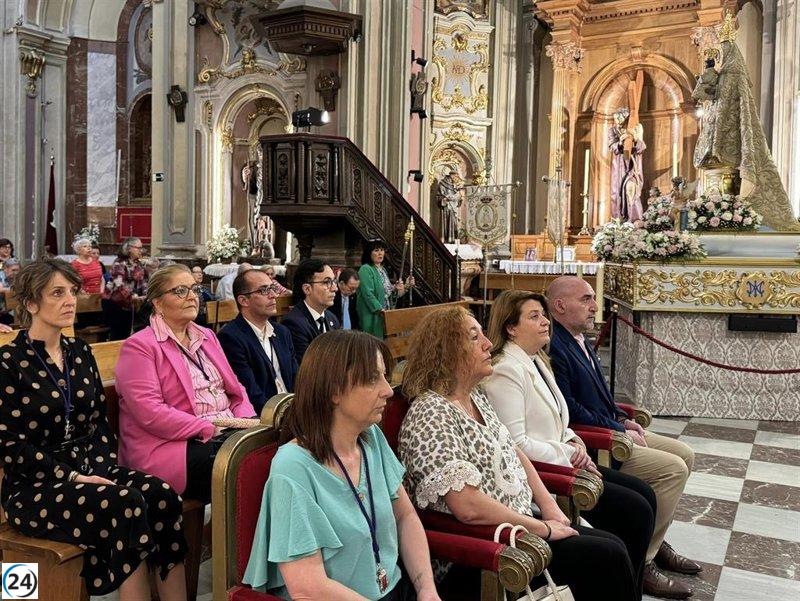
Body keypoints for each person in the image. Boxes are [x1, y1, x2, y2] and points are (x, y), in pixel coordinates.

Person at [398, 305, 638, 601]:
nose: (488, 343)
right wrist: (543, 528)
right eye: (474, 337)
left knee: (613, 545)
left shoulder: (475, 398)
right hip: (481, 548)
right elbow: (468, 507)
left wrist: (550, 507)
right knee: (608, 557)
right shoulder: (431, 413)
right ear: (446, 350)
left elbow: (513, 451)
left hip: (518, 525)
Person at [0, 259, 187, 600]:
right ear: (30, 303)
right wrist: (72, 476)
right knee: (125, 503)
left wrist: (101, 468)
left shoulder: (79, 351)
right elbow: (10, 445)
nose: (70, 300)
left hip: (91, 470)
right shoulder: (9, 361)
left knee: (161, 495)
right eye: (57, 293)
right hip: (34, 486)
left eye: (72, 291)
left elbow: (99, 422)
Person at [243, 330, 441, 601]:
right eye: (373, 378)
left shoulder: (371, 439)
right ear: (334, 390)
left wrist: (426, 589)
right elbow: (308, 587)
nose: (387, 390)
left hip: (394, 590)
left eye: (384, 376)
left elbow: (404, 517)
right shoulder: (293, 467)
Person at [484, 290, 657, 597]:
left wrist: (573, 439)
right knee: (634, 511)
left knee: (643, 497)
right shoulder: (506, 369)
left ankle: (633, 580)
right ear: (511, 327)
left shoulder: (537, 359)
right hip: (547, 476)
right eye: (533, 316)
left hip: (564, 461)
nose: (544, 322)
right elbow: (515, 443)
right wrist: (569, 453)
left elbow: (560, 418)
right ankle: (626, 584)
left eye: (543, 315)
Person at [546, 276, 699, 599]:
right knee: (672, 469)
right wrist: (616, 429)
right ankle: (643, 562)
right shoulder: (555, 346)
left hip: (610, 426)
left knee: (684, 453)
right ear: (560, 305)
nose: (594, 306)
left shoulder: (580, 339)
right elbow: (571, 410)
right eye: (586, 299)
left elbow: (599, 397)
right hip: (595, 441)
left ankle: (655, 544)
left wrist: (622, 418)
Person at [115, 264, 256, 504]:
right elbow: (149, 412)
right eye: (180, 291)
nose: (192, 297)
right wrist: (208, 429)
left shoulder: (207, 336)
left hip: (225, 432)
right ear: (158, 303)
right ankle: (232, 540)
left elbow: (235, 389)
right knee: (252, 465)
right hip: (172, 447)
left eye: (194, 289)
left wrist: (247, 421)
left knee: (280, 448)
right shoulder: (140, 346)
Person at [218, 269, 298, 414]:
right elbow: (250, 392)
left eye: (273, 288)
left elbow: (296, 377)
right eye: (263, 291)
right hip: (265, 417)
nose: (273, 295)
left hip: (293, 409)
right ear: (243, 300)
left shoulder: (282, 332)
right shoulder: (230, 337)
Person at [282, 259, 340, 364]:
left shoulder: (332, 318)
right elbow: (307, 366)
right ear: (307, 289)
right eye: (327, 282)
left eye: (334, 281)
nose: (335, 288)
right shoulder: (293, 323)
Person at [356, 239, 413, 339]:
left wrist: (403, 287)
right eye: (376, 250)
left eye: (382, 250)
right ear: (369, 253)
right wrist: (380, 310)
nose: (380, 253)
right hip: (374, 314)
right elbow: (368, 294)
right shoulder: (365, 269)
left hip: (386, 313)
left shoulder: (383, 269)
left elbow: (388, 294)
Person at [103, 237, 148, 341]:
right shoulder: (119, 263)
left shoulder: (139, 264)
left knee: (133, 332)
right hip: (115, 302)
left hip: (132, 303)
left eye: (142, 248)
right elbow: (119, 285)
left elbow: (145, 282)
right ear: (129, 249)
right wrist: (132, 296)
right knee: (119, 334)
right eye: (138, 247)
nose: (141, 250)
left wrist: (145, 295)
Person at [609, 108, 646, 223]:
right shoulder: (613, 130)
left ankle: (634, 220)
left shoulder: (636, 128)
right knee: (616, 194)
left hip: (632, 165)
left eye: (619, 119)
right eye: (615, 119)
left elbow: (642, 147)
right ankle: (619, 220)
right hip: (619, 165)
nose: (617, 121)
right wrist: (620, 142)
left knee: (631, 189)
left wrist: (634, 139)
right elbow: (612, 146)